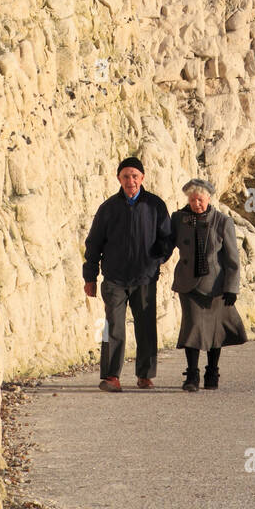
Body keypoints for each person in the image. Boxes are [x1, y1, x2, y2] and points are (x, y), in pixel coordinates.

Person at [82, 157, 171, 390]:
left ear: (142, 178)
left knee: (146, 327)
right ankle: (111, 377)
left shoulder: (155, 205)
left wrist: (156, 262)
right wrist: (89, 277)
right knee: (112, 327)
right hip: (114, 279)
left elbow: (167, 240)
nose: (130, 180)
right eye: (125, 176)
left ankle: (145, 375)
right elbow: (93, 244)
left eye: (134, 176)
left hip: (145, 278)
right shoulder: (108, 208)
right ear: (118, 178)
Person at [164, 178, 247, 391]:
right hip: (188, 284)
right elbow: (166, 245)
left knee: (214, 331)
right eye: (192, 200)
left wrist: (231, 288)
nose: (196, 204)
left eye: (200, 199)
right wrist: (151, 260)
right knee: (192, 328)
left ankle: (212, 372)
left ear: (208, 199)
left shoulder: (222, 221)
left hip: (215, 286)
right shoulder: (179, 219)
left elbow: (232, 258)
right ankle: (192, 376)